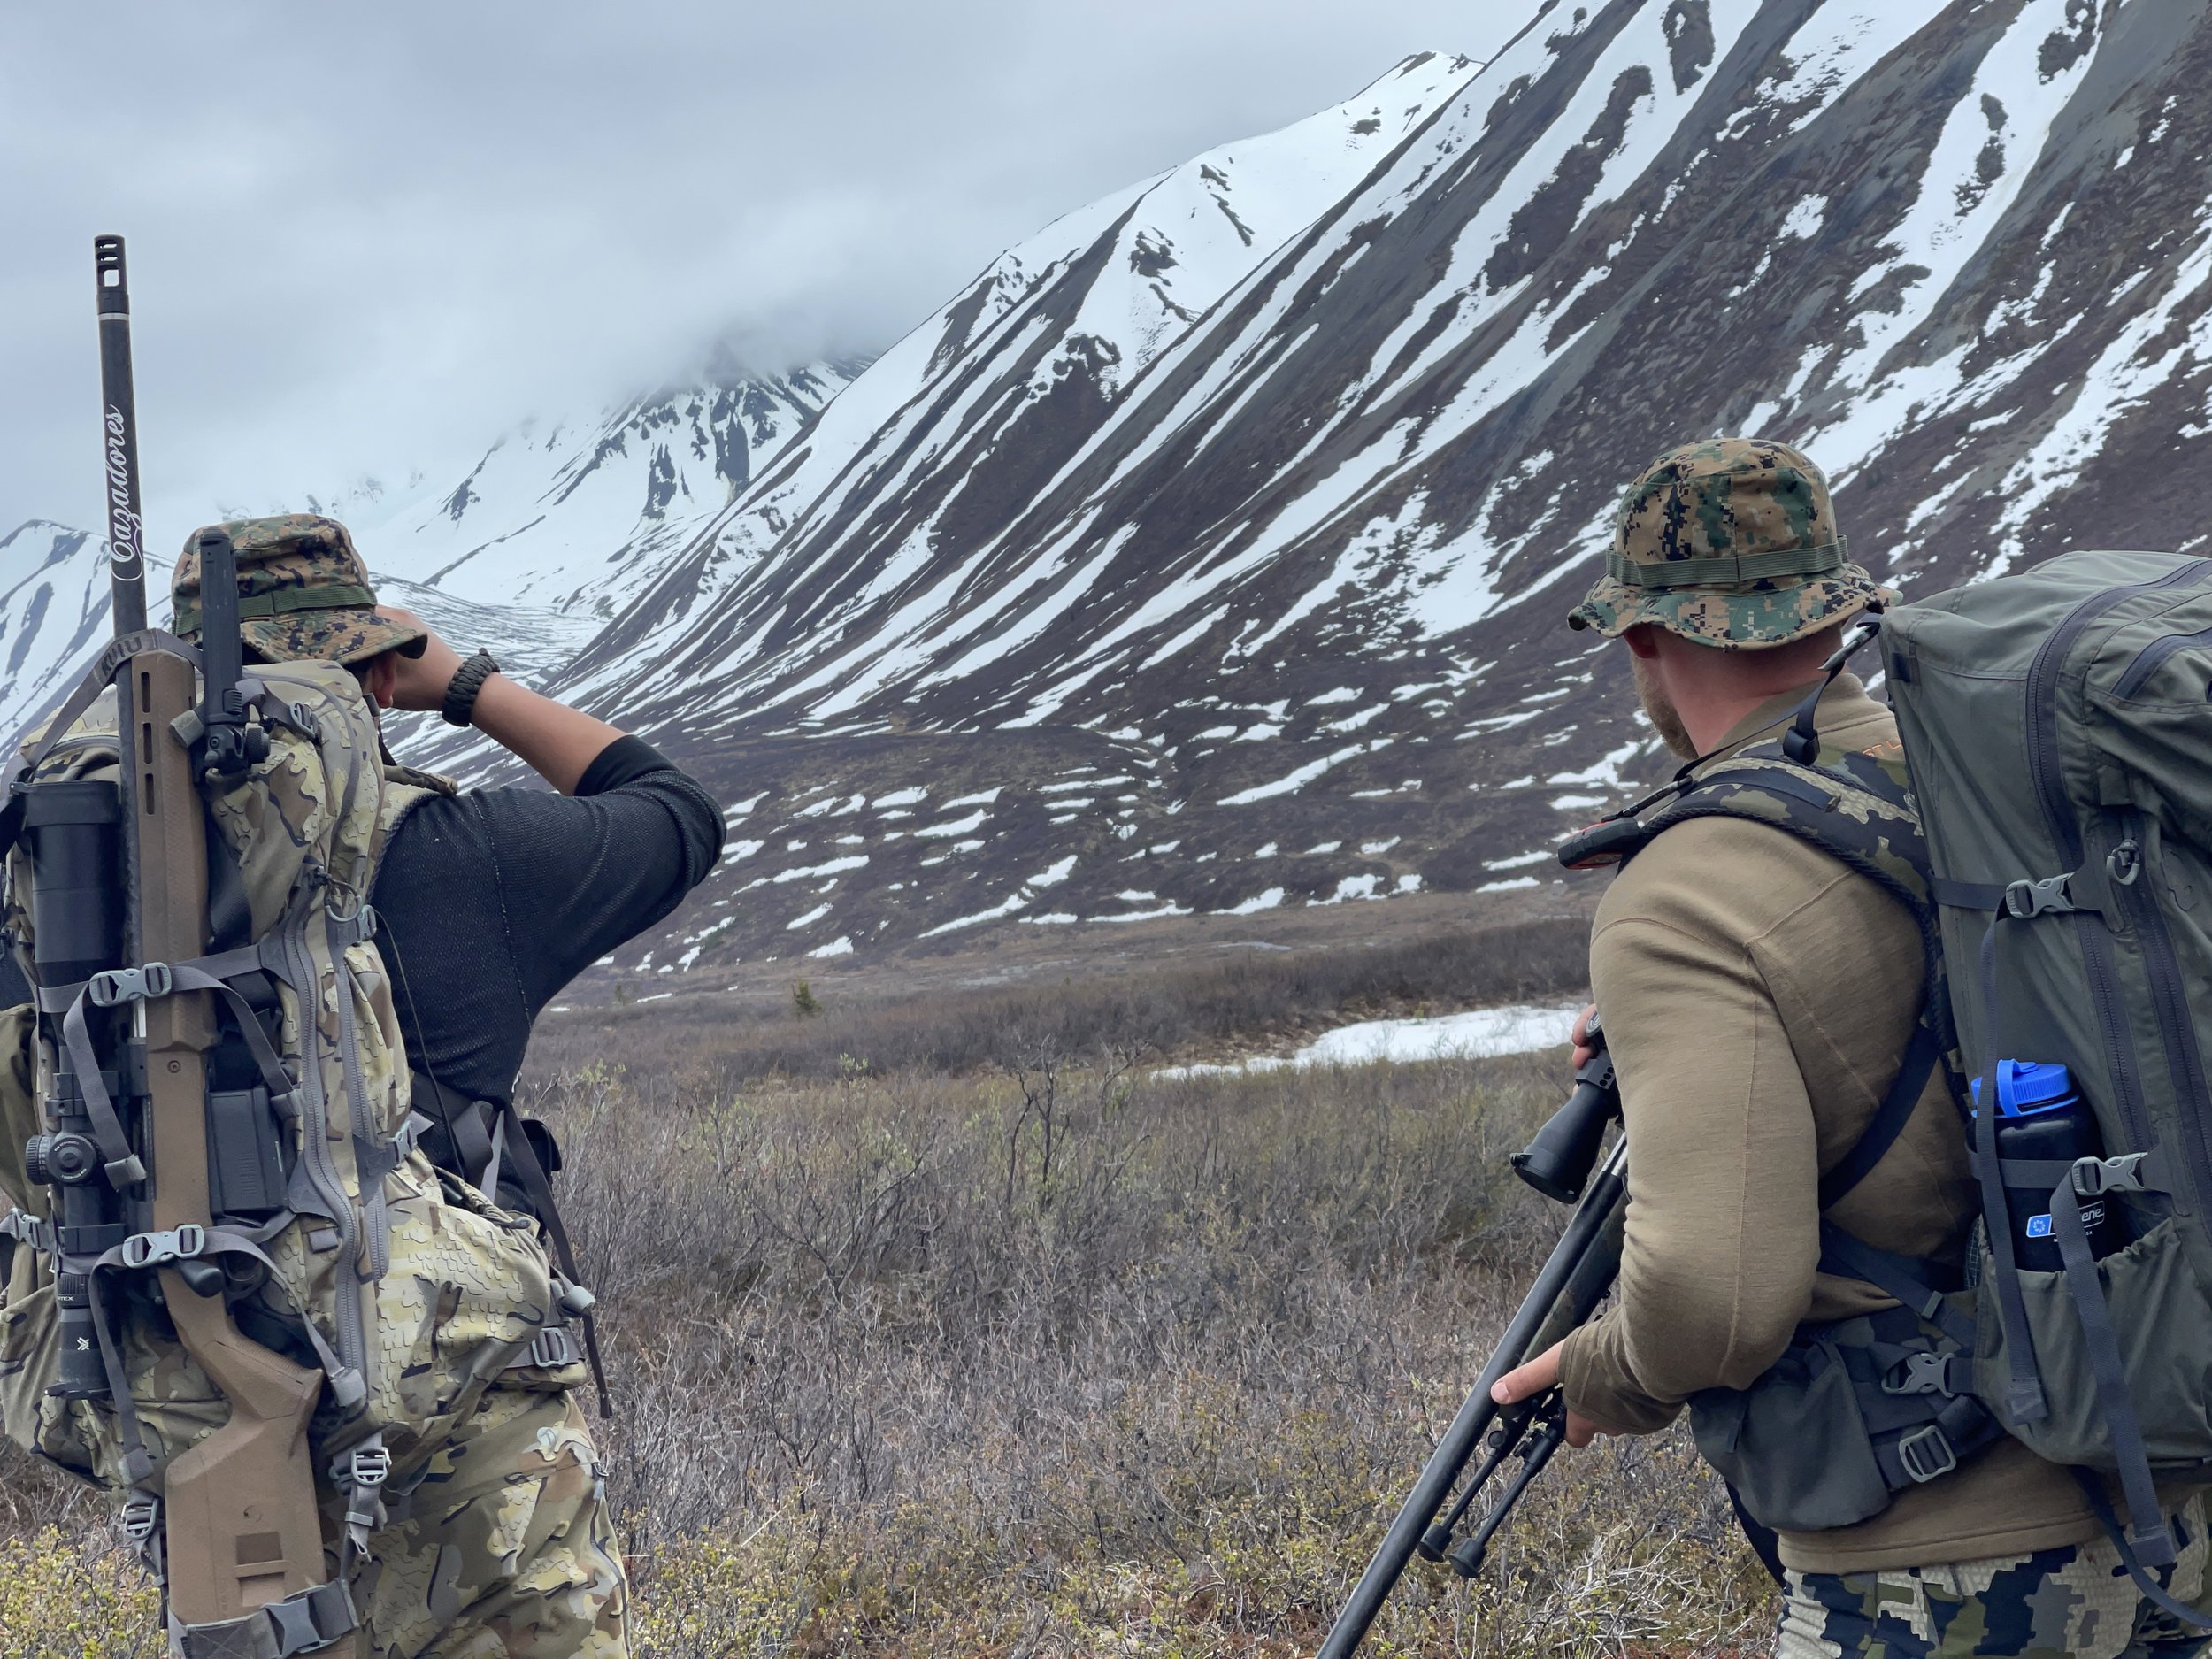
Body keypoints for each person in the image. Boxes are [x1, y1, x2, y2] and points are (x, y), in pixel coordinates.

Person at [1488, 441, 2211, 1658]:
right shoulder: (1988, 771)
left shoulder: (1686, 892)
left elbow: (1716, 1303)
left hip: (1940, 1570)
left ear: (1645, 642)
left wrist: (1604, 1373)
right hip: (2167, 1503)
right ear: (1835, 612)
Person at [168, 513, 725, 1659]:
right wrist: (467, 684)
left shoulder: (91, 896)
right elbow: (675, 816)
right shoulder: (454, 854)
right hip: (467, 1441)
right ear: (373, 679)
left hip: (218, 1438)